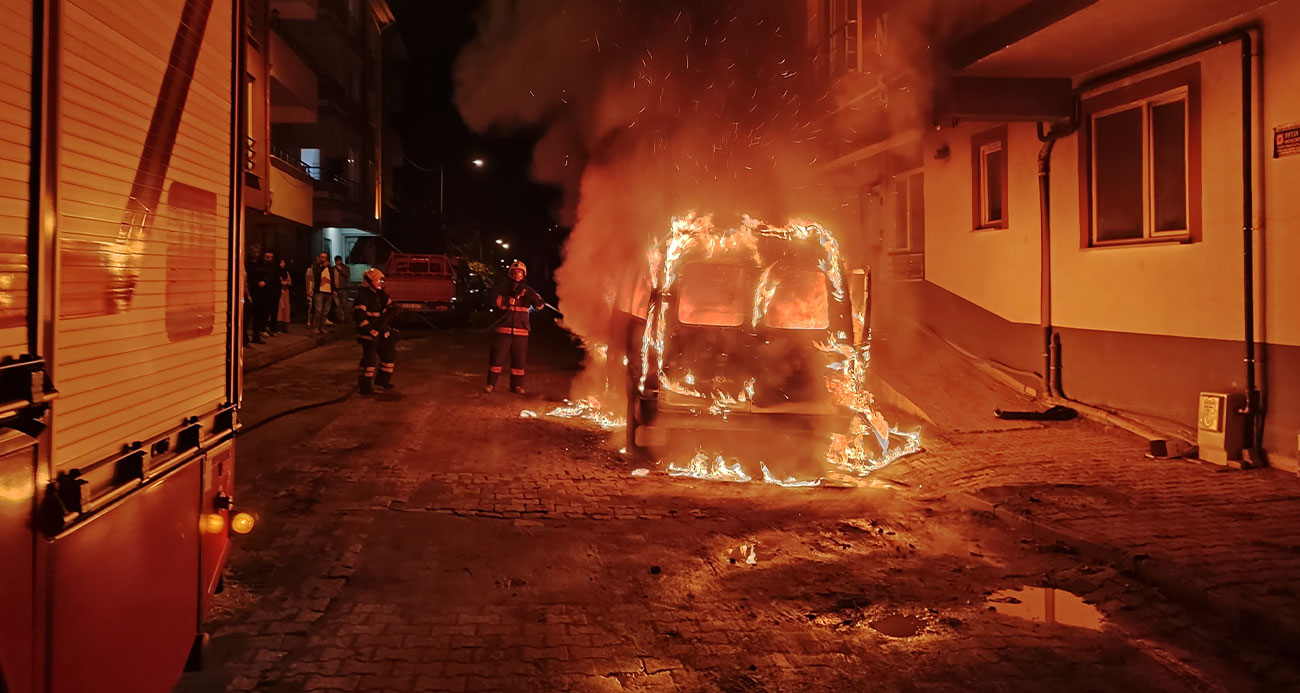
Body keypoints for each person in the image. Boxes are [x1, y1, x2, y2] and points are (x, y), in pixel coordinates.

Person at [486, 260, 545, 395]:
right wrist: (507, 300)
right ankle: (491, 384)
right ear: (510, 274)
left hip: (522, 331)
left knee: (519, 360)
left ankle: (516, 386)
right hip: (503, 329)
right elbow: (492, 300)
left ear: (524, 275)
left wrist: (536, 299)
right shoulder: (503, 288)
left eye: (520, 272)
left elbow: (540, 306)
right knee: (496, 358)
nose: (517, 274)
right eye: (515, 272)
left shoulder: (529, 291)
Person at [354, 268, 398, 394]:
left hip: (382, 331)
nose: (380, 282)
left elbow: (389, 304)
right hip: (369, 335)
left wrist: (393, 309)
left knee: (388, 356)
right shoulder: (362, 297)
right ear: (368, 282)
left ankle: (382, 382)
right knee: (369, 361)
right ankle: (365, 387)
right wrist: (370, 331)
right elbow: (359, 318)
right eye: (377, 280)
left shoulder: (380, 294)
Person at [305, 252, 337, 333]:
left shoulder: (330, 268)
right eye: (322, 257)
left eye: (325, 257)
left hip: (328, 291)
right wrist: (323, 267)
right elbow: (316, 275)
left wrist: (334, 290)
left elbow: (332, 279)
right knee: (318, 310)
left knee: (326, 311)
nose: (323, 259)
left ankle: (322, 326)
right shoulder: (316, 267)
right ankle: (315, 326)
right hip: (319, 291)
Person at [333, 255, 351, 322]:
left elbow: (347, 275)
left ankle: (346, 319)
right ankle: (339, 319)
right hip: (336, 289)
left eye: (338, 261)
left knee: (344, 304)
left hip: (344, 288)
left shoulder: (345, 268)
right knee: (338, 305)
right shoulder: (333, 269)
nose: (337, 262)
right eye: (336, 261)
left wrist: (341, 270)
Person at [276, 258, 292, 332]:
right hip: (280, 291)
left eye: (284, 262)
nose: (283, 264)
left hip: (286, 292)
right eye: (281, 262)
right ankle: (278, 327)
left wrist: (286, 283)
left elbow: (289, 282)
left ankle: (284, 327)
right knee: (280, 309)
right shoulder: (277, 272)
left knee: (286, 309)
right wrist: (284, 283)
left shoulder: (286, 272)